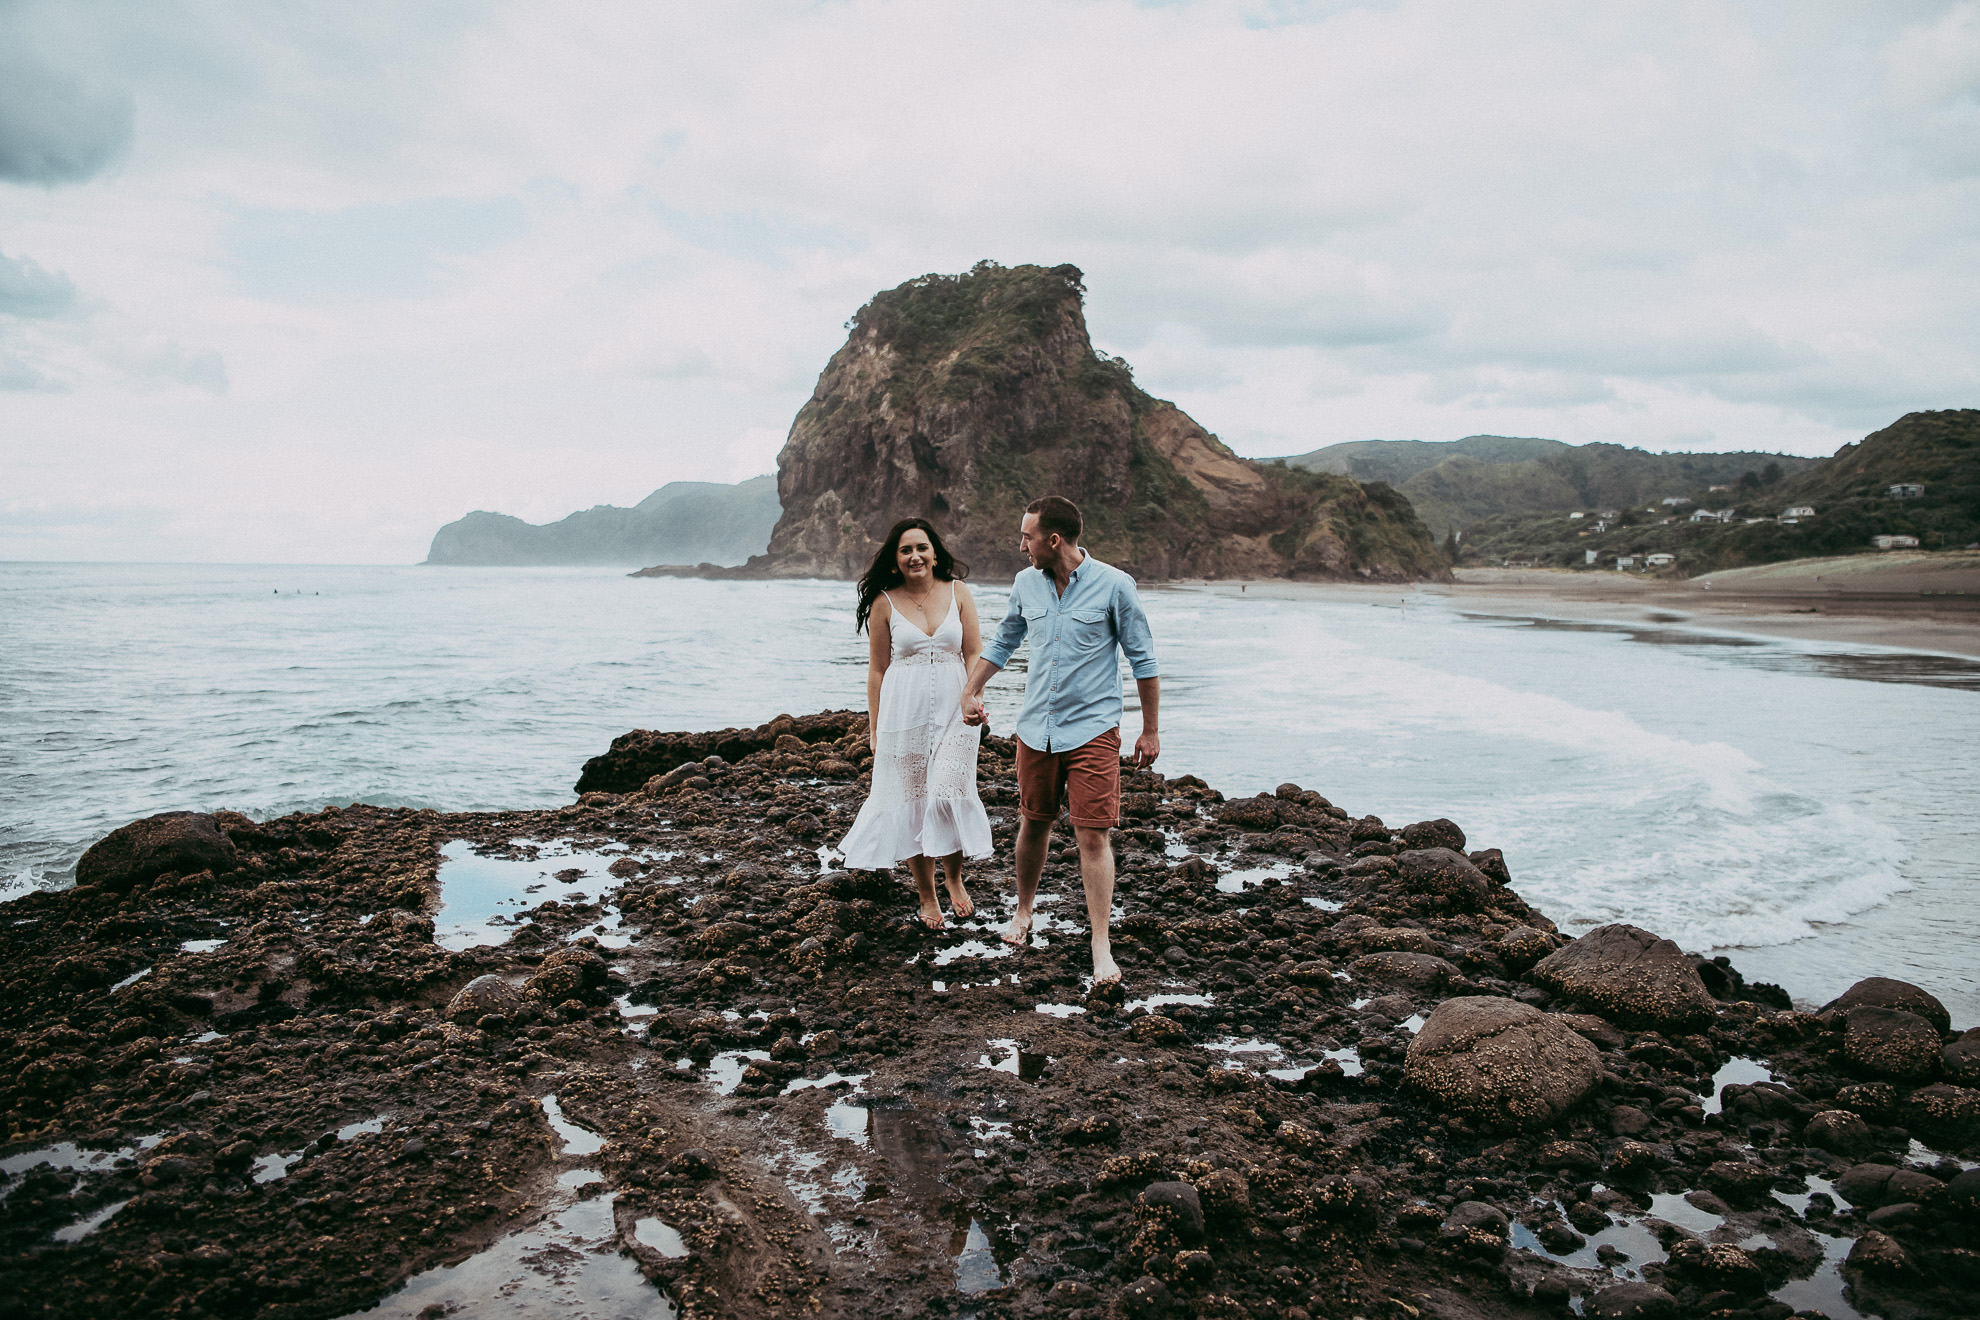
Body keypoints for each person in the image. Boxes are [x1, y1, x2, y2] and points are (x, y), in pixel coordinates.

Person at [960, 496, 1160, 986]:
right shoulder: (1026, 583)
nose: (1021, 545)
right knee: (1034, 823)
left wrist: (1150, 729)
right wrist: (971, 688)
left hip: (1093, 729)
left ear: (1053, 540)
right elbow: (1006, 640)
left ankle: (1100, 943)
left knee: (1092, 835)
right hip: (1036, 728)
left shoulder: (1115, 586)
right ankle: (1024, 912)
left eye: (1026, 536)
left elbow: (1144, 660)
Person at [837, 518, 992, 929]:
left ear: (935, 552)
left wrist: (975, 696)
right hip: (901, 713)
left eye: (921, 547)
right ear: (895, 561)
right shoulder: (884, 603)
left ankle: (954, 878)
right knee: (911, 799)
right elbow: (877, 671)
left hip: (954, 710)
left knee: (948, 791)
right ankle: (926, 893)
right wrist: (873, 729)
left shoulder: (959, 592)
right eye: (905, 550)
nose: (915, 556)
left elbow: (974, 652)